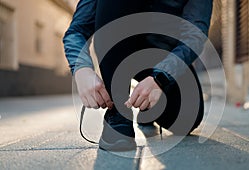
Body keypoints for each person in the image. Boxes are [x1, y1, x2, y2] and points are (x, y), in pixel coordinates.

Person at [63, 0, 212, 151]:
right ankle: (118, 116)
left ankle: (149, 107)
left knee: (187, 119)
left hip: (167, 60)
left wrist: (161, 79)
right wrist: (81, 68)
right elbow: (76, 31)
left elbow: (195, 35)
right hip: (119, 50)